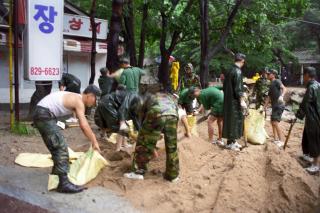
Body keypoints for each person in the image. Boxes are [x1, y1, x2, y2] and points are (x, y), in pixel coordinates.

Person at [32, 85, 101, 193]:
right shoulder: (79, 101)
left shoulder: (76, 97)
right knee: (61, 147)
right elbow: (84, 125)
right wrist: (94, 141)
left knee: (56, 145)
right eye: (95, 100)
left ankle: (57, 176)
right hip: (44, 114)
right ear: (90, 96)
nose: (94, 104)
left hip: (43, 113)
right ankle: (63, 184)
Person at [124, 93, 179, 182]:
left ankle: (138, 172)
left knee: (143, 143)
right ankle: (173, 176)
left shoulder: (143, 101)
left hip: (157, 113)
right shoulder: (167, 98)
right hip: (174, 115)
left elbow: (143, 122)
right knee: (172, 147)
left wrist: (143, 136)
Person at [295, 67, 320, 174]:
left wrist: (298, 115)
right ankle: (309, 156)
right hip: (316, 116)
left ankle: (315, 165)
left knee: (314, 139)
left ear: (307, 75)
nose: (303, 78)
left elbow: (305, 104)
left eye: (303, 75)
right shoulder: (318, 85)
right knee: (308, 136)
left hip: (314, 118)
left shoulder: (311, 87)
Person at [222, 53, 247, 151]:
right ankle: (231, 143)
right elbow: (238, 89)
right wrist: (241, 101)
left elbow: (225, 86)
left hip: (228, 100)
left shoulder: (229, 70)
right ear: (242, 61)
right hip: (234, 101)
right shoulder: (237, 71)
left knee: (229, 121)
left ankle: (231, 141)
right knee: (234, 121)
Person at [265, 69, 287, 147]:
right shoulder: (270, 84)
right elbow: (268, 97)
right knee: (272, 122)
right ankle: (275, 139)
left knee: (275, 122)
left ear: (273, 75)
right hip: (274, 105)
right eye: (267, 74)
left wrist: (281, 96)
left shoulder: (277, 81)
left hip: (279, 105)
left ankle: (281, 141)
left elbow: (284, 88)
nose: (267, 75)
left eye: (269, 74)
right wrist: (265, 107)